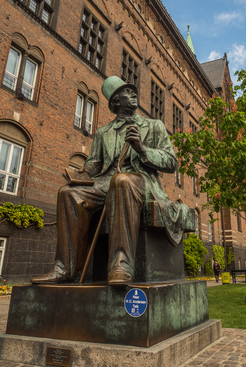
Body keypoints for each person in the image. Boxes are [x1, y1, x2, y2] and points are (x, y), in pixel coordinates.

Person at [31, 76, 188, 286]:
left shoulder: (153, 126)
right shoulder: (103, 132)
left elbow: (171, 162)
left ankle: (121, 265)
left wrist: (142, 149)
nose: (134, 94)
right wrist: (80, 175)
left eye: (133, 91)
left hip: (141, 182)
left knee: (122, 181)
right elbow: (94, 164)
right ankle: (66, 269)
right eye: (127, 92)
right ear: (116, 102)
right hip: (105, 182)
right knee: (68, 193)